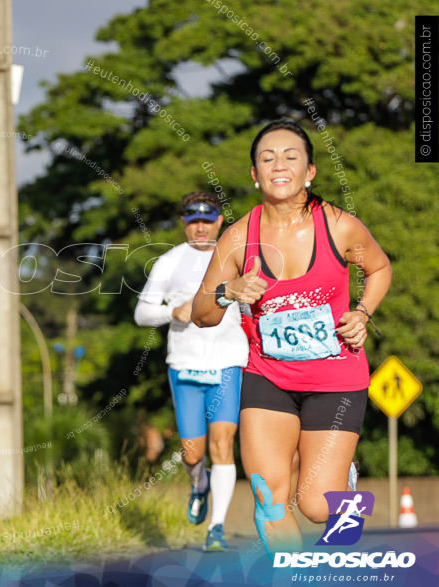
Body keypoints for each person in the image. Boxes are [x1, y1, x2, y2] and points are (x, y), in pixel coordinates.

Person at [191, 120, 391, 554]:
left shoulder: (340, 227)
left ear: (310, 171)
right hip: (269, 377)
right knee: (267, 494)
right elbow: (200, 312)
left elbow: (379, 267)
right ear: (254, 174)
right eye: (267, 158)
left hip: (336, 380)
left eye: (290, 156)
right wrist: (229, 292)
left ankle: (346, 493)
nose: (278, 165)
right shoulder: (239, 237)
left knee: (317, 505)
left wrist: (362, 312)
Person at [134, 191, 248, 551]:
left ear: (219, 221)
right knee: (192, 453)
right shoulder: (169, 261)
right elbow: (142, 314)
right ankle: (199, 484)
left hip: (228, 360)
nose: (200, 227)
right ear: (184, 223)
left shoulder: (236, 258)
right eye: (193, 221)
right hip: (185, 365)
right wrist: (174, 311)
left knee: (223, 444)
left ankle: (217, 527)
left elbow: (251, 309)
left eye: (207, 220)